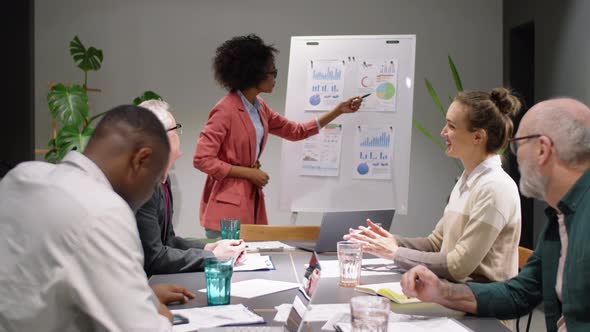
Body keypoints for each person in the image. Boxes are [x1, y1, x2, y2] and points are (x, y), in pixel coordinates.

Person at [400, 98, 590, 332]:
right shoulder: (560, 218)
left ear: (542, 149)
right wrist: (442, 291)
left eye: (517, 145)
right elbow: (521, 293)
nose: (516, 157)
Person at [0, 105, 194, 331]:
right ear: (141, 160)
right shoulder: (104, 211)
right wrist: (162, 316)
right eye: (155, 181)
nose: (152, 193)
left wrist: (145, 295)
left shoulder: (22, 176)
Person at [194, 34, 363, 238]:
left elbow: (296, 131)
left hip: (250, 202)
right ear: (253, 74)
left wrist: (338, 111)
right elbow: (202, 159)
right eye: (272, 72)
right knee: (234, 266)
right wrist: (248, 173)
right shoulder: (225, 110)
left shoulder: (259, 107)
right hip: (226, 209)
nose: (275, 78)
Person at [345, 88, 522, 283]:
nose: (443, 132)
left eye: (451, 126)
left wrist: (395, 253)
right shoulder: (468, 180)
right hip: (454, 297)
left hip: (482, 309)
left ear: (478, 137)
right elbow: (436, 243)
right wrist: (391, 241)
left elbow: (457, 266)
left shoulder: (495, 188)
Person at [136, 99, 246, 276]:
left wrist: (209, 247)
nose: (179, 134)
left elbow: (168, 241)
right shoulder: (142, 187)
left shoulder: (162, 179)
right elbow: (154, 258)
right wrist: (212, 256)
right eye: (175, 129)